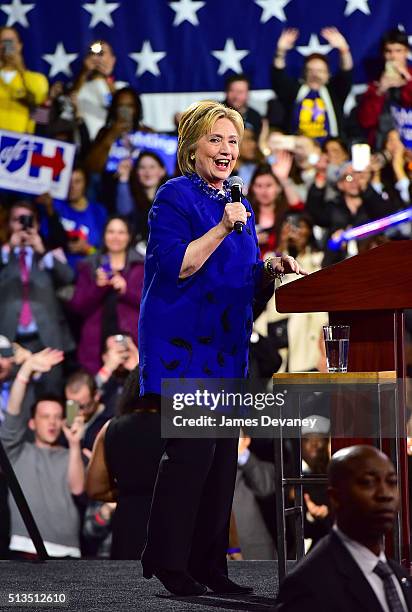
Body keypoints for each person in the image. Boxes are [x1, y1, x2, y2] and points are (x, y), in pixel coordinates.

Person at [138, 100, 306, 597]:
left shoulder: (240, 208)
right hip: (183, 349)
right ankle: (169, 562)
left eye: (232, 141)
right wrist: (222, 226)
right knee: (191, 458)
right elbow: (178, 266)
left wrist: (269, 271)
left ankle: (210, 567)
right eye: (216, 139)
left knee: (218, 465)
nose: (226, 149)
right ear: (192, 147)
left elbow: (241, 285)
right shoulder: (174, 197)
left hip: (226, 351)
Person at [275, 445, 412, 611]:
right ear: (335, 497)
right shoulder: (308, 586)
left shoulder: (398, 574)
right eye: (367, 482)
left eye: (392, 482)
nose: (385, 494)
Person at [0, 348, 85, 558]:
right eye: (45, 417)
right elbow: (11, 416)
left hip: (68, 550)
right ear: (32, 423)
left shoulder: (70, 454)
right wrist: (25, 371)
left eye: (57, 417)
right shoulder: (18, 452)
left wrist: (74, 444)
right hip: (26, 546)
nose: (52, 422)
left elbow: (77, 488)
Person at [86, 367, 164, 560]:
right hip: (172, 524)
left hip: (129, 525)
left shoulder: (110, 428)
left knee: (127, 587)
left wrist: (130, 494)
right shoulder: (180, 426)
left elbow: (95, 488)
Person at [0, 201, 75, 390]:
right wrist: (8, 248)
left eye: (29, 220)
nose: (23, 225)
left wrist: (42, 250)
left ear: (38, 224)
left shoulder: (50, 253)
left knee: (50, 396)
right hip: (11, 341)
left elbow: (68, 277)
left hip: (47, 339)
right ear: (10, 224)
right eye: (18, 220)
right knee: (16, 398)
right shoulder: (4, 255)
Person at [68, 216, 144, 374]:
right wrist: (97, 287)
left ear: (129, 236)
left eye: (121, 232)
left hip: (134, 341)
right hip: (95, 344)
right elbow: (77, 306)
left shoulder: (142, 265)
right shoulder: (88, 265)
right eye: (111, 232)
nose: (116, 237)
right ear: (104, 235)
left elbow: (154, 306)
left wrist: (126, 290)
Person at [272, 27, 353, 141]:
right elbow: (278, 77)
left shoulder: (334, 92)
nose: (315, 75)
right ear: (304, 73)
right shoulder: (294, 91)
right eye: (311, 70)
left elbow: (346, 74)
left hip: (329, 149)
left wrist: (344, 50)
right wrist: (280, 51)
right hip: (298, 148)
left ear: (328, 74)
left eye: (320, 71)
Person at [358, 29, 412, 149]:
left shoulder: (410, 78)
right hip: (385, 149)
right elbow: (366, 121)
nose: (393, 56)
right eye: (389, 51)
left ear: (406, 52)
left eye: (398, 51)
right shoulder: (375, 86)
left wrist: (407, 79)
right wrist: (380, 91)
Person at [51, 167, 108, 270]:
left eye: (77, 181)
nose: (72, 186)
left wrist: (87, 249)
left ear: (85, 184)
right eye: (68, 181)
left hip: (90, 274)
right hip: (58, 273)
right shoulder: (54, 206)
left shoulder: (98, 212)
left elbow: (105, 253)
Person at [0, 26, 48, 133]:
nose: (7, 46)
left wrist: (20, 67)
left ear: (19, 46)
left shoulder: (37, 78)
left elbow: (38, 98)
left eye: (11, 41)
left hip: (20, 141)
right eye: (3, 42)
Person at [72, 40, 123, 141]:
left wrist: (107, 77)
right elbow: (69, 100)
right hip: (84, 145)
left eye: (101, 53)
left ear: (112, 60)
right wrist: (84, 73)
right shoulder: (79, 86)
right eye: (92, 54)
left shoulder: (122, 87)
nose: (96, 58)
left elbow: (122, 109)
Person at [115, 151, 167, 246]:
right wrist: (124, 177)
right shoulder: (130, 197)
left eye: (152, 167)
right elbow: (124, 212)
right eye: (142, 167)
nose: (147, 172)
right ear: (136, 172)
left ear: (162, 171)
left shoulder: (172, 198)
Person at [65, 369, 110, 451]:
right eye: (72, 405)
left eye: (82, 406)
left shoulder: (109, 421)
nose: (78, 412)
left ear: (96, 395)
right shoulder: (68, 419)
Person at [223, 73, 262, 137]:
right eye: (232, 91)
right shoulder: (216, 114)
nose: (236, 96)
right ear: (226, 92)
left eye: (240, 92)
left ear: (248, 94)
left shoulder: (255, 116)